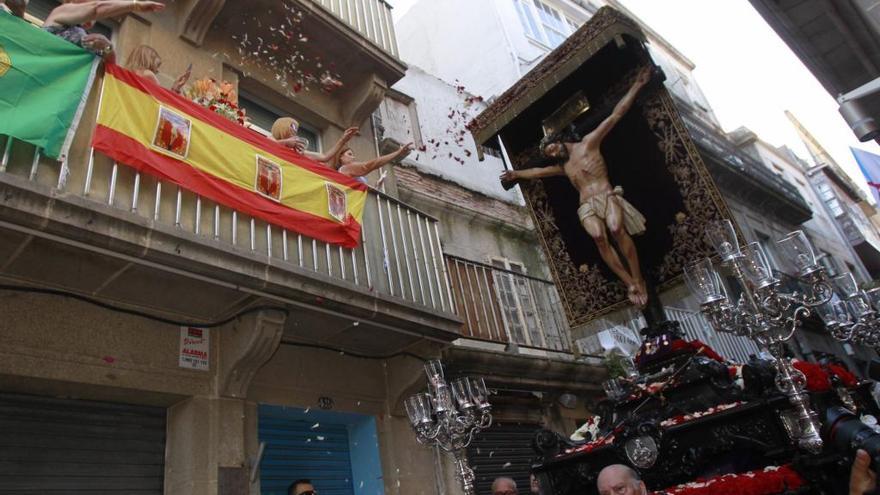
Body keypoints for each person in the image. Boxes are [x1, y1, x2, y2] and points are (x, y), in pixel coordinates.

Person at [499, 67, 652, 307]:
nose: (552, 153)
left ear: (560, 141)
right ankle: (628, 282)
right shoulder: (564, 168)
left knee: (615, 228)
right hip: (586, 205)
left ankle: (638, 278)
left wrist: (637, 85)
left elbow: (615, 115)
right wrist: (517, 173)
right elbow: (538, 172)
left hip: (607, 195)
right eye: (549, 153)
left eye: (552, 148)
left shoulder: (589, 144)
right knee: (599, 237)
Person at [43, 0, 164, 57]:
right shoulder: (62, 11)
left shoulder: (87, 36)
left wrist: (108, 48)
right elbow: (95, 8)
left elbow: (109, 71)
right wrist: (134, 5)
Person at [271, 117, 358, 164]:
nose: (295, 132)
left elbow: (324, 157)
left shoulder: (296, 151)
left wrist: (343, 140)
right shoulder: (270, 139)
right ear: (281, 127)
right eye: (292, 127)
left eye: (296, 129)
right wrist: (286, 142)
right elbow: (268, 145)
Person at [331, 142, 413, 185]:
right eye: (349, 154)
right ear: (340, 157)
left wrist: (378, 185)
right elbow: (372, 164)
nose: (353, 157)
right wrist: (397, 152)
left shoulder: (350, 172)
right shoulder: (345, 168)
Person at [125, 45, 190, 93]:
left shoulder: (127, 74)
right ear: (148, 61)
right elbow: (162, 100)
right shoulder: (147, 74)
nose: (157, 70)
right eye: (156, 66)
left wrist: (175, 87)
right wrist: (175, 89)